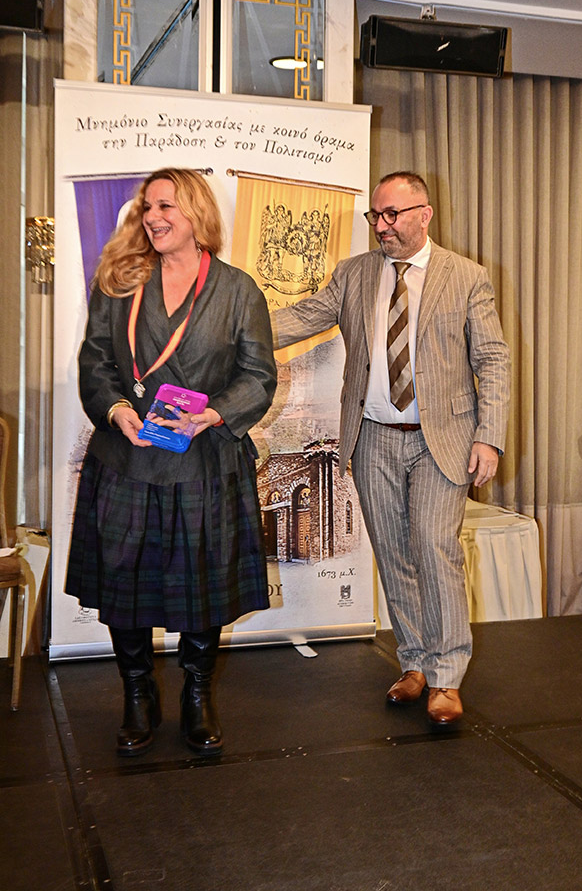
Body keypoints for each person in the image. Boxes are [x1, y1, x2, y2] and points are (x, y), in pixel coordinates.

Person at [272, 172, 510, 725]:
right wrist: (226, 324)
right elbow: (302, 318)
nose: (381, 226)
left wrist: (489, 436)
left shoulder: (467, 277)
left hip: (442, 440)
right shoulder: (354, 274)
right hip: (373, 436)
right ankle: (415, 662)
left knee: (434, 548)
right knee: (394, 553)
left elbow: (493, 360)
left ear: (425, 214)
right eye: (375, 216)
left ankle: (447, 676)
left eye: (392, 215)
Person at [66, 168, 277, 756]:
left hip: (204, 461)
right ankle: (137, 693)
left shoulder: (238, 290)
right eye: (148, 206)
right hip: (127, 458)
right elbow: (95, 362)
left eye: (167, 206)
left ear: (197, 214)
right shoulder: (120, 281)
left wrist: (213, 414)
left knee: (202, 586)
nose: (154, 217)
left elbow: (258, 376)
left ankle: (197, 695)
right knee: (124, 584)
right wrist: (115, 411)